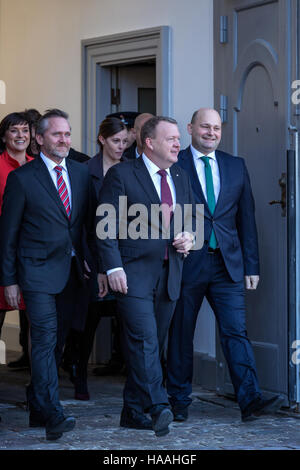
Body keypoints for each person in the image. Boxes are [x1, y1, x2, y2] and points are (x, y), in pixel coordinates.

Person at [166, 108, 284, 423]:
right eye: (205, 126)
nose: (211, 133)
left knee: (236, 332)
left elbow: (246, 217)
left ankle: (250, 400)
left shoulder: (235, 165)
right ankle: (178, 401)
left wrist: (251, 265)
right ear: (190, 128)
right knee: (181, 333)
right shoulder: (174, 164)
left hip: (228, 264)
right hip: (187, 262)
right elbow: (162, 211)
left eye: (216, 128)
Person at [0, 109, 96, 440]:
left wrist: (89, 261)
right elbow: (8, 234)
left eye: (68, 134)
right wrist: (9, 279)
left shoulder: (82, 174)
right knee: (43, 339)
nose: (65, 139)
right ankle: (53, 412)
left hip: (71, 273)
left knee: (57, 343)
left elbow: (85, 225)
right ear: (39, 139)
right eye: (57, 134)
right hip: (36, 272)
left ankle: (38, 405)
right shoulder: (23, 178)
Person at [97, 116, 195, 437]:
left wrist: (188, 236)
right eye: (171, 139)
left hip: (170, 274)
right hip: (133, 273)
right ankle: (158, 405)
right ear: (150, 143)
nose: (178, 143)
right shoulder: (122, 174)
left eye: (179, 138)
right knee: (144, 341)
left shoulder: (180, 175)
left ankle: (132, 410)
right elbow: (105, 224)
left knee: (152, 343)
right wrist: (112, 267)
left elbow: (191, 217)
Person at [63, 117, 129, 399]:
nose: (122, 147)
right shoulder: (82, 171)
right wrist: (93, 262)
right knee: (87, 319)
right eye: (116, 141)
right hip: (91, 254)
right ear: (102, 139)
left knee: (125, 317)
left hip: (124, 253)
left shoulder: (131, 170)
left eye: (126, 142)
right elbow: (83, 223)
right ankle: (78, 372)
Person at [0, 112, 33, 370]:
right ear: (4, 136)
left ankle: (39, 390)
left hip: (34, 255)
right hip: (4, 253)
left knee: (37, 324)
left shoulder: (39, 166)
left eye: (25, 130)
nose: (21, 135)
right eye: (14, 131)